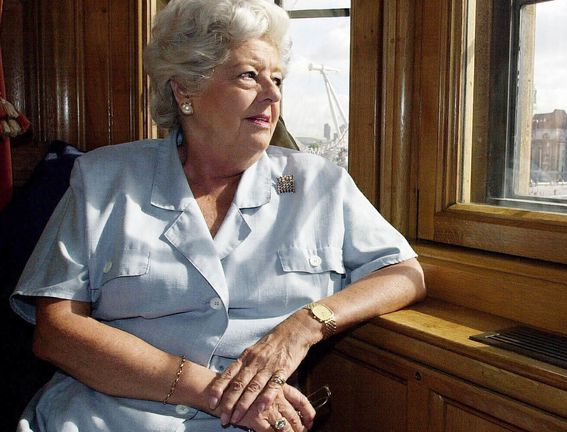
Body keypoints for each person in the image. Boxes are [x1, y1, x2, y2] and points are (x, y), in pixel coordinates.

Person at [9, 0, 425, 430]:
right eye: (249, 75)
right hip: (100, 418)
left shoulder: (320, 184)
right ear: (184, 90)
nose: (273, 93)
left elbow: (403, 273)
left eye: (277, 78)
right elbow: (56, 331)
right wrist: (212, 391)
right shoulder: (103, 178)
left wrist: (304, 326)